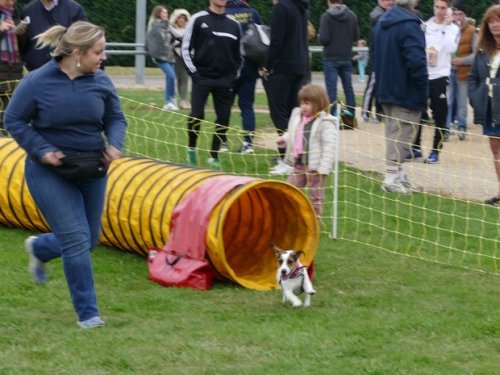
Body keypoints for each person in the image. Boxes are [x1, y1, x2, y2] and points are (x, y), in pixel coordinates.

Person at [4, 21, 127, 328]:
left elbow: (116, 118)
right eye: (98, 52)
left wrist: (114, 144)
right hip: (50, 171)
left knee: (90, 239)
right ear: (76, 53)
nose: (103, 58)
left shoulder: (100, 81)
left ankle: (41, 247)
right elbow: (14, 120)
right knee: (75, 240)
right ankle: (89, 315)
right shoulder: (37, 81)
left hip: (92, 168)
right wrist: (42, 149)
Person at [374, 0, 428, 194]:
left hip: (386, 87)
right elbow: (416, 61)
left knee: (393, 132)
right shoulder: (410, 24)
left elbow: (375, 55)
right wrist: (423, 89)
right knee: (403, 134)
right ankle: (391, 178)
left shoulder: (382, 22)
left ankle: (399, 175)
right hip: (405, 88)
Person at [181, 0, 243, 169]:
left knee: (224, 119)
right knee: (196, 115)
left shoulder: (234, 25)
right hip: (202, 78)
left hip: (225, 81)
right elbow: (185, 49)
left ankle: (213, 156)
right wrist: (194, 74)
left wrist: (233, 77)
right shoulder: (198, 19)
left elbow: (240, 56)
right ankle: (191, 149)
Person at [276, 84, 337, 217]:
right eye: (302, 103)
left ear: (319, 103)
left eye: (307, 103)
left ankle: (314, 220)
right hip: (299, 165)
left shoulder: (325, 123)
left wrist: (323, 169)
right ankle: (289, 215)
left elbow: (329, 148)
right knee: (290, 189)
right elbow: (293, 132)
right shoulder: (299, 118)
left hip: (316, 168)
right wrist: (284, 139)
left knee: (316, 195)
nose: (303, 106)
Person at [263, 0, 309, 175]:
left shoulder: (282, 7)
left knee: (279, 113)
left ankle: (286, 158)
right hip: (299, 65)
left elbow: (277, 40)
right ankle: (294, 159)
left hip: (282, 66)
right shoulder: (301, 7)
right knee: (293, 115)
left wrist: (267, 65)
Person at [420, 0, 459, 164]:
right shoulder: (426, 26)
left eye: (443, 8)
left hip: (441, 76)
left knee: (440, 115)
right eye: (437, 7)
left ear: (448, 9)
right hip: (424, 74)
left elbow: (451, 48)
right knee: (418, 112)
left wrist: (447, 27)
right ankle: (415, 147)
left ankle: (435, 151)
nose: (439, 11)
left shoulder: (454, 29)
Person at [468, 4, 500, 205]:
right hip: (490, 108)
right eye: (491, 21)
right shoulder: (482, 50)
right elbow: (473, 77)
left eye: (498, 20)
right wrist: (475, 97)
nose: (495, 25)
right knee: (496, 150)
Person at [225, 0, 263, 154]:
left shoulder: (224, 14)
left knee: (224, 106)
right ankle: (248, 143)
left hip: (229, 67)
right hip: (249, 67)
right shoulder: (252, 13)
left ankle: (222, 142)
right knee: (247, 106)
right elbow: (262, 38)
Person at [318, 0, 359, 118]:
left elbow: (324, 39)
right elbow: (356, 36)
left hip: (331, 57)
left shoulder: (326, 16)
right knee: (348, 88)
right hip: (346, 56)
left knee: (331, 89)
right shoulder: (352, 15)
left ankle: (332, 116)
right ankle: (350, 116)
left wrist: (319, 37)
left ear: (328, 1)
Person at [18, 0, 87, 72]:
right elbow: (22, 44)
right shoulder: (28, 11)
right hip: (36, 74)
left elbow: (84, 41)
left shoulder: (75, 10)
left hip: (66, 74)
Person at [446, 1, 477, 141]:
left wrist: (462, 61)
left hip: (463, 71)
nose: (457, 17)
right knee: (448, 100)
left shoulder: (471, 30)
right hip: (448, 70)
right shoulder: (446, 28)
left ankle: (462, 127)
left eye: (460, 14)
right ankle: (445, 128)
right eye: (455, 14)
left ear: (465, 15)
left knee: (462, 102)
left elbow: (476, 54)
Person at [361, 0, 394, 123]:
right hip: (377, 56)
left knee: (383, 86)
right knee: (372, 85)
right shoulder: (377, 15)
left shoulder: (388, 13)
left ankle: (380, 113)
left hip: (386, 57)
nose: (390, 2)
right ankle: (365, 112)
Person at [146, 5, 178, 111]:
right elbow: (153, 41)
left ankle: (170, 101)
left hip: (170, 56)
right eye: (164, 13)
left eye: (167, 13)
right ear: (158, 13)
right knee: (171, 75)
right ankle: (168, 101)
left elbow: (174, 36)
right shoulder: (154, 26)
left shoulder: (168, 25)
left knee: (171, 78)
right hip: (159, 56)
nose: (166, 15)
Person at [0, 0, 23, 136]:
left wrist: (21, 32)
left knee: (11, 109)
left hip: (13, 70)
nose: (12, 1)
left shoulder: (14, 15)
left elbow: (22, 46)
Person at [169, 8, 191, 110]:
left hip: (186, 56)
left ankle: (184, 100)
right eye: (179, 18)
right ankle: (180, 99)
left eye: (183, 18)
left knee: (185, 78)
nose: (181, 20)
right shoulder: (171, 30)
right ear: (176, 19)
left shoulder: (189, 30)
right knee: (178, 79)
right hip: (175, 56)